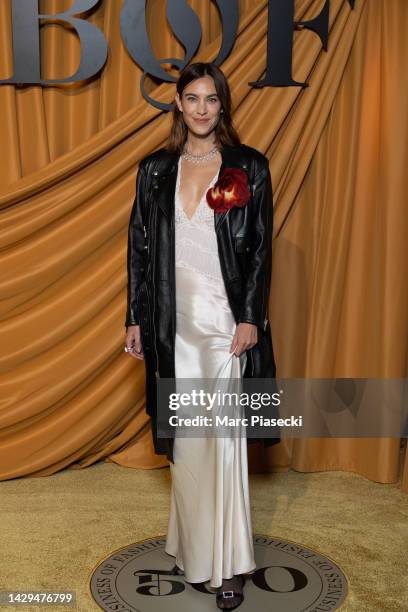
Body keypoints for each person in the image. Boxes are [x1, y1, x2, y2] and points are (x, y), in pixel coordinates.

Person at [124, 62, 279, 610]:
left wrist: (250, 316)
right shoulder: (155, 170)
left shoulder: (248, 167)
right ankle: (192, 548)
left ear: (223, 105)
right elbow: (140, 253)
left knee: (224, 443)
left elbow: (260, 248)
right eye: (192, 98)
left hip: (223, 327)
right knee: (188, 445)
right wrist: (136, 318)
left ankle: (231, 564)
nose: (201, 109)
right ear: (179, 105)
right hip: (173, 327)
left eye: (211, 99)